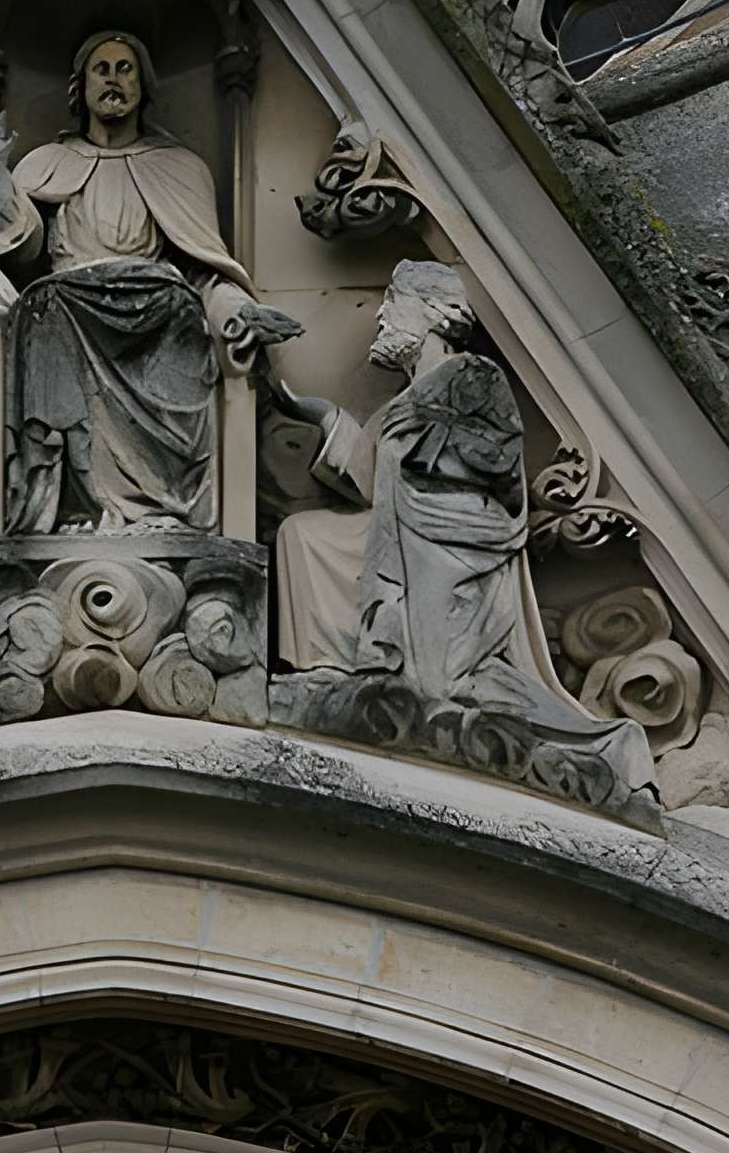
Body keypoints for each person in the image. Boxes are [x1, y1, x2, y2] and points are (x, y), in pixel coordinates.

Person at [268, 262, 637, 777]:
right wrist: (323, 417)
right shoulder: (401, 402)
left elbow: (496, 465)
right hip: (394, 532)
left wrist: (426, 450)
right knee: (302, 534)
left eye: (394, 303)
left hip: (445, 541)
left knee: (447, 672)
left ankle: (420, 678)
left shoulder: (473, 376)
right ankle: (326, 670)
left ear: (434, 314)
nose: (380, 315)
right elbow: (375, 481)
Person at [0, 29, 296, 531]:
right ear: (79, 88)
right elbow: (21, 247)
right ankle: (76, 507)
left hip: (157, 310)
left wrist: (236, 313)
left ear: (144, 87)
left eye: (125, 69)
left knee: (181, 313)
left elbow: (205, 268)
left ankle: (162, 506)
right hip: (70, 307)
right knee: (44, 309)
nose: (113, 80)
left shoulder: (180, 168)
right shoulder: (45, 165)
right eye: (101, 69)